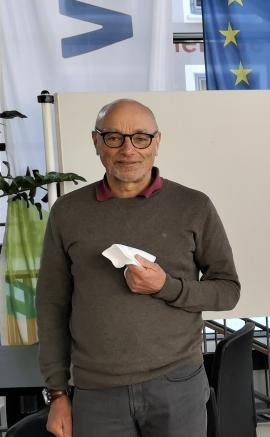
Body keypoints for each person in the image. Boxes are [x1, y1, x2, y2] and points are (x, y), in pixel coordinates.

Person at [36, 98, 241, 437]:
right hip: (96, 393)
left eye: (141, 137)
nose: (128, 149)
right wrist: (57, 394)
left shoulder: (193, 206)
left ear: (157, 142)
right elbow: (51, 305)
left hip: (177, 384)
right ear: (96, 142)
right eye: (114, 137)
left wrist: (166, 286)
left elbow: (228, 291)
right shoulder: (67, 213)